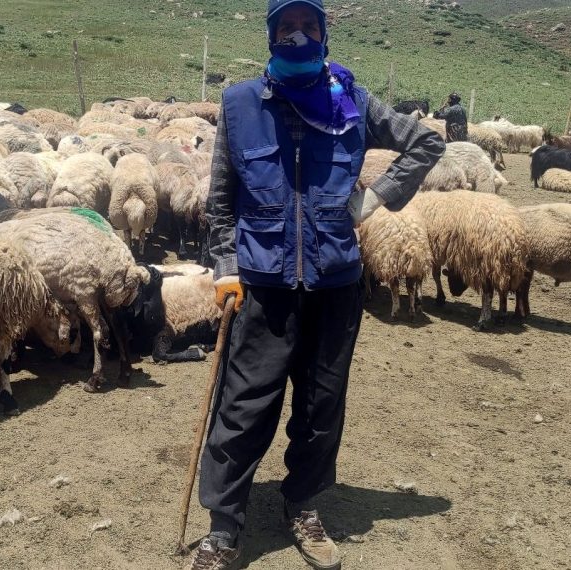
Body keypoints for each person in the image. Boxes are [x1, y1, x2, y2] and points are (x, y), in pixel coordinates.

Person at [186, 1, 446, 568]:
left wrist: (374, 198)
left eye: (309, 26)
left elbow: (427, 143)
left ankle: (302, 503)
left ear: (324, 35)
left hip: (335, 282)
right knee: (243, 406)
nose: (298, 36)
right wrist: (225, 266)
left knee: (321, 405)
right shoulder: (239, 103)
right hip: (262, 286)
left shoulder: (352, 99)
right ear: (272, 35)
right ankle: (224, 524)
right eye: (288, 26)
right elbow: (222, 198)